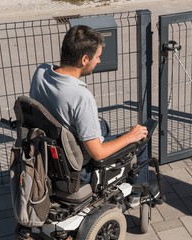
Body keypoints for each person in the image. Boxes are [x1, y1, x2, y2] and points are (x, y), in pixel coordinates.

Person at [29, 25, 148, 183]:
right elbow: (98, 154)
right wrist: (130, 137)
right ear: (84, 59)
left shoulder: (41, 71)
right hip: (78, 167)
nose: (99, 60)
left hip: (50, 151)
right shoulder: (81, 97)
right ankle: (136, 193)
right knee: (141, 138)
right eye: (97, 56)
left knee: (102, 125)